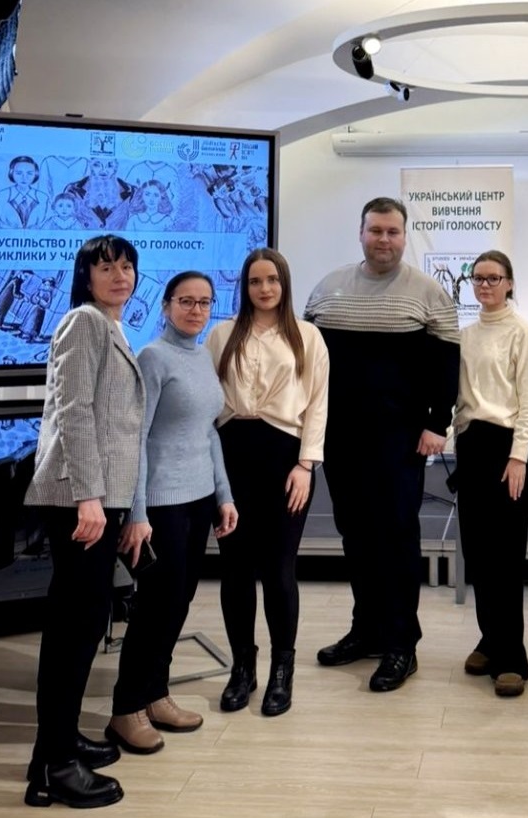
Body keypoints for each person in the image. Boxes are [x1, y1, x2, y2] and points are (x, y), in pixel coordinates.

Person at [304, 197, 459, 693]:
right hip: (341, 437)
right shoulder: (327, 289)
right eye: (376, 231)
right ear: (361, 233)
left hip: (401, 440)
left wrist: (437, 423)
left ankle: (401, 643)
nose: (384, 240)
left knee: (396, 538)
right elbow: (309, 362)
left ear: (405, 236)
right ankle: (366, 630)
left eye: (393, 232)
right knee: (355, 535)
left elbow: (447, 365)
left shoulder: (428, 293)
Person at [22, 235, 145, 809]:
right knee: (74, 630)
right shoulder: (84, 322)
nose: (120, 275)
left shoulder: (112, 326)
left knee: (85, 622)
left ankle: (59, 743)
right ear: (86, 275)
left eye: (127, 266)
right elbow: (72, 411)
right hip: (81, 499)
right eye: (107, 266)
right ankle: (53, 767)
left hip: (98, 497)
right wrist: (89, 497)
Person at [105, 272, 239, 754]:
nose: (196, 310)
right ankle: (125, 709)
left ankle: (155, 694)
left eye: (204, 302)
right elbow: (135, 438)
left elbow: (208, 431)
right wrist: (137, 512)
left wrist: (224, 496)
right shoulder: (152, 357)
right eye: (186, 301)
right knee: (155, 608)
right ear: (166, 305)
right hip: (161, 504)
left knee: (178, 603)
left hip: (199, 499)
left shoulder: (202, 356)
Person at [206, 248, 329, 715]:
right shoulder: (221, 335)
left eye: (272, 280)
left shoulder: (308, 336)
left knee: (278, 570)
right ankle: (243, 668)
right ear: (245, 286)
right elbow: (207, 403)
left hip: (285, 462)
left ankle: (282, 670)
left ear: (284, 284)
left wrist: (306, 465)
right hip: (231, 457)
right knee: (235, 569)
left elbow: (317, 405)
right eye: (255, 281)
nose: (264, 289)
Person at [452, 250, 528, 697]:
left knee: (505, 557)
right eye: (479, 278)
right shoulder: (465, 335)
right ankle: (489, 639)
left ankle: (512, 658)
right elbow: (460, 401)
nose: (485, 285)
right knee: (478, 553)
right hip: (472, 447)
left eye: (494, 278)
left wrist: (520, 456)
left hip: (508, 451)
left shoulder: (522, 331)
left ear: (509, 283)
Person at [0, 155, 50, 229]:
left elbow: (49, 224)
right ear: (11, 173)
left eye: (29, 173)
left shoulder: (43, 197)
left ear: (36, 174)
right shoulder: (1, 195)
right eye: (19, 173)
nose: (24, 177)